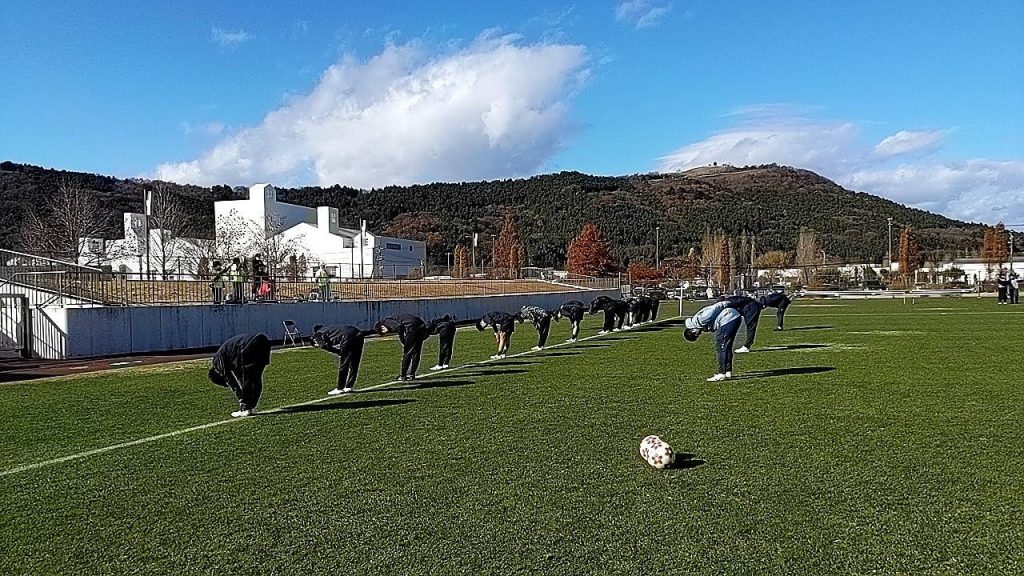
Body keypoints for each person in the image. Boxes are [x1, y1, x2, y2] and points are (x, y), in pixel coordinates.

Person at [207, 333, 272, 417]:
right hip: (263, 341)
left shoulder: (217, 362)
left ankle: (246, 408)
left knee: (248, 378)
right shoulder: (231, 357)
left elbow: (232, 382)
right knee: (256, 377)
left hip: (249, 345)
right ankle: (250, 406)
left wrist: (241, 398)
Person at [682, 301, 742, 382]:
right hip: (733, 317)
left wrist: (726, 303)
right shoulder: (698, 323)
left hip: (728, 317)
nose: (699, 334)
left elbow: (715, 307)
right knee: (726, 346)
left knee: (721, 347)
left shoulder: (701, 319)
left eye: (697, 335)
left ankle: (721, 373)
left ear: (692, 330)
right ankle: (728, 372)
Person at [311, 324, 372, 395]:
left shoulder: (318, 333)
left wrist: (338, 352)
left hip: (347, 336)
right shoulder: (330, 328)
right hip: (358, 334)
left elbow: (323, 345)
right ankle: (349, 386)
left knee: (344, 365)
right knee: (355, 362)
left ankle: (340, 388)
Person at [375, 313, 429, 380]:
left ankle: (403, 375)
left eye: (383, 332)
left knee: (408, 352)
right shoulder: (394, 318)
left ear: (382, 327)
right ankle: (412, 374)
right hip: (420, 324)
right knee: (416, 352)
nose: (386, 333)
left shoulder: (386, 321)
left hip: (412, 326)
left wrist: (403, 340)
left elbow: (399, 327)